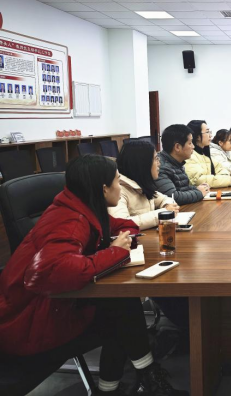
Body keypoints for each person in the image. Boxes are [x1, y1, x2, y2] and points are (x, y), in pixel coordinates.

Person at [0, 155, 187, 396]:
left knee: (121, 305)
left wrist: (121, 236)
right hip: (29, 321)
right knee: (121, 310)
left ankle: (117, 387)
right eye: (117, 181)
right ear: (103, 188)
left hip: (49, 306)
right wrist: (114, 252)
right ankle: (145, 380)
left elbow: (121, 225)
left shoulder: (83, 207)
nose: (120, 187)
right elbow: (51, 270)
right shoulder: (70, 220)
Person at [108, 140, 180, 230]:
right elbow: (122, 223)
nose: (159, 163)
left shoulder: (142, 185)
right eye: (155, 159)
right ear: (143, 164)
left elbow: (165, 199)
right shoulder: (119, 191)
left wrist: (167, 206)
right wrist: (163, 213)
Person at [155, 124, 209, 205]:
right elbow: (173, 197)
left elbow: (183, 188)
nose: (193, 146)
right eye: (190, 143)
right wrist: (199, 193)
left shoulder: (177, 162)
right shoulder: (161, 166)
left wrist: (197, 188)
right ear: (177, 147)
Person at [185, 120, 231, 188]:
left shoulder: (204, 154)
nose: (210, 135)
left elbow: (221, 169)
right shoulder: (190, 156)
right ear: (197, 136)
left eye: (210, 132)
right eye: (207, 132)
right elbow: (199, 180)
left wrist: (223, 178)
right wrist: (228, 180)